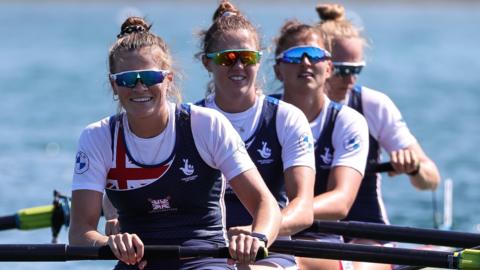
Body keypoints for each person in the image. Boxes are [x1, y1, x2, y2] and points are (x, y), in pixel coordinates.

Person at [68, 16, 281, 270]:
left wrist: (257, 238)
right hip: (137, 263)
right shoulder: (98, 138)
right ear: (114, 85)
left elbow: (264, 204)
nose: (139, 87)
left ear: (168, 80)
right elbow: (80, 232)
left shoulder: (206, 125)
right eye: (127, 79)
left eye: (149, 77)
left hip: (204, 259)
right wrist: (107, 243)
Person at [316, 3, 441, 269]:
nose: (349, 80)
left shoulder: (373, 105)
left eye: (356, 70)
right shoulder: (287, 109)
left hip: (367, 235)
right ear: (320, 64)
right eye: (341, 70)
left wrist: (414, 167)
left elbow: (431, 180)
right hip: (308, 232)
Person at [196, 1, 316, 269]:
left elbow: (303, 207)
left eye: (247, 58)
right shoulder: (190, 120)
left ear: (259, 60)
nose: (238, 66)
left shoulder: (286, 119)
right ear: (207, 63)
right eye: (227, 58)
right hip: (202, 250)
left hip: (269, 248)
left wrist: (257, 232)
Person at [272, 19, 370, 270]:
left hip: (319, 240)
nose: (305, 62)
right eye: (295, 55)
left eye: (314, 55)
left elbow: (340, 202)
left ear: (328, 68)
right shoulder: (259, 114)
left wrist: (277, 219)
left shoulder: (347, 121)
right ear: (277, 70)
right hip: (260, 236)